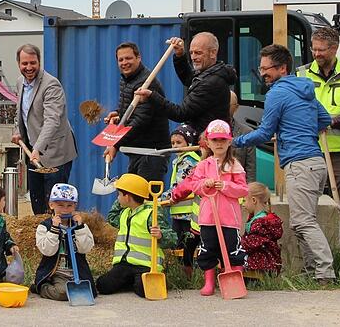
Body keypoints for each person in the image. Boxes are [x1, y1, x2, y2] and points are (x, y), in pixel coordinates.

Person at [233, 44, 335, 282]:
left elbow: (264, 132)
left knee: (303, 221)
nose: (262, 73)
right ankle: (314, 273)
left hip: (300, 164)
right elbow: (325, 119)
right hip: (315, 163)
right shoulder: (304, 89)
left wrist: (235, 141)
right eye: (261, 68)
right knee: (303, 222)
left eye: (266, 68)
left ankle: (325, 273)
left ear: (282, 68)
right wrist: (298, 129)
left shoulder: (276, 93)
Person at [296, 27, 340, 239]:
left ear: (334, 49)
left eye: (321, 50)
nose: (316, 54)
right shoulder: (301, 74)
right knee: (309, 203)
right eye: (314, 49)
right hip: (307, 150)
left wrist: (333, 121)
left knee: (339, 204)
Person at [169, 119, 247, 295]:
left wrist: (225, 187)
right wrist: (205, 184)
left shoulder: (234, 165)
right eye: (215, 140)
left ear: (229, 141)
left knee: (233, 249)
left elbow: (243, 190)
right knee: (207, 249)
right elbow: (193, 185)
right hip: (208, 218)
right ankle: (209, 282)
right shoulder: (203, 165)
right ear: (208, 142)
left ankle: (235, 278)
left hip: (229, 219)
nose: (219, 144)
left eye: (223, 140)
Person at [11, 43, 78, 214]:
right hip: (34, 153)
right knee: (37, 201)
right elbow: (21, 112)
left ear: (39, 62)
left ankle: (57, 236)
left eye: (33, 63)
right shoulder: (20, 83)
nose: (29, 67)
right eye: (24, 63)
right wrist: (17, 131)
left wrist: (38, 148)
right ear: (19, 64)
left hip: (56, 153)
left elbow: (52, 121)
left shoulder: (51, 85)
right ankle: (42, 236)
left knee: (55, 205)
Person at [137, 33, 238, 135]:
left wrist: (151, 96)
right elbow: (189, 78)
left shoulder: (212, 82)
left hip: (208, 143)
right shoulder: (209, 73)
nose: (193, 57)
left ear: (213, 53)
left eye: (198, 53)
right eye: (191, 53)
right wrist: (180, 55)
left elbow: (180, 113)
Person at [97, 173, 176, 297]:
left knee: (143, 290)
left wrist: (161, 235)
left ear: (127, 197)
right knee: (102, 285)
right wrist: (122, 187)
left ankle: (137, 282)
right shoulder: (125, 214)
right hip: (124, 264)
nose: (117, 198)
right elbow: (111, 217)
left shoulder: (152, 214)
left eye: (119, 194)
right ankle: (130, 281)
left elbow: (172, 239)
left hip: (146, 265)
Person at [103, 42, 169, 184]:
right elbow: (130, 109)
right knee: (134, 201)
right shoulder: (127, 80)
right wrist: (118, 114)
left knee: (148, 201)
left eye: (128, 58)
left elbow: (140, 120)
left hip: (152, 153)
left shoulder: (147, 83)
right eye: (120, 60)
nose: (124, 63)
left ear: (138, 58)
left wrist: (115, 144)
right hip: (136, 150)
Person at [32, 183, 95, 301]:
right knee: (63, 293)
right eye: (60, 205)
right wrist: (54, 229)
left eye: (69, 205)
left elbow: (86, 248)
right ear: (51, 205)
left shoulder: (80, 226)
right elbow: (48, 251)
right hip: (56, 272)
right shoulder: (44, 226)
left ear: (75, 206)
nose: (65, 209)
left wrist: (80, 228)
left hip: (78, 270)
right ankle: (41, 287)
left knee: (91, 291)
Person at [167, 123, 201, 278]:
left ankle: (188, 273)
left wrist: (163, 197)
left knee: (188, 244)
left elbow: (180, 186)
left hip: (187, 212)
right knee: (179, 244)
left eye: (179, 142)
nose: (175, 146)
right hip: (178, 211)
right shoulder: (180, 160)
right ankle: (183, 273)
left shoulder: (189, 161)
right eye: (173, 143)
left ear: (189, 143)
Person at [241, 182, 283, 276]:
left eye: (244, 200)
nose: (243, 204)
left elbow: (252, 243)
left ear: (254, 200)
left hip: (263, 263)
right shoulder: (256, 219)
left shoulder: (261, 223)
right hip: (263, 260)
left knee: (233, 258)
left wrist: (236, 243)